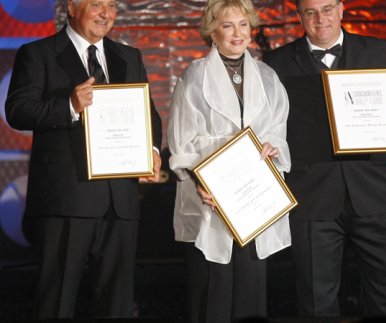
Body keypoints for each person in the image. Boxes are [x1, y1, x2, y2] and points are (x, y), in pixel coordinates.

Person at [5, 0, 162, 319]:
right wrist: (69, 106)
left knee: (117, 303)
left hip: (120, 199)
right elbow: (17, 111)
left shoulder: (128, 56)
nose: (106, 13)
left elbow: (149, 113)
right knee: (56, 300)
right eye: (96, 5)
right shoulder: (38, 53)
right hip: (65, 200)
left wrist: (153, 151)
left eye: (112, 6)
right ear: (72, 8)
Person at [263, 0, 386, 317]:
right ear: (300, 16)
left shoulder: (377, 50)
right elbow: (266, 118)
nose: (320, 19)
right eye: (310, 12)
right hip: (312, 195)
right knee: (316, 302)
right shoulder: (277, 61)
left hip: (372, 190)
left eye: (327, 8)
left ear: (342, 9)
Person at [167, 0, 291, 322]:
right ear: (212, 31)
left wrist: (271, 147)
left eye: (243, 24)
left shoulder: (267, 76)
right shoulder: (193, 76)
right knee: (213, 290)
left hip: (252, 200)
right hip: (211, 199)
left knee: (251, 289)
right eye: (227, 25)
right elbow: (180, 142)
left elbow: (278, 130)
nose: (238, 33)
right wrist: (199, 184)